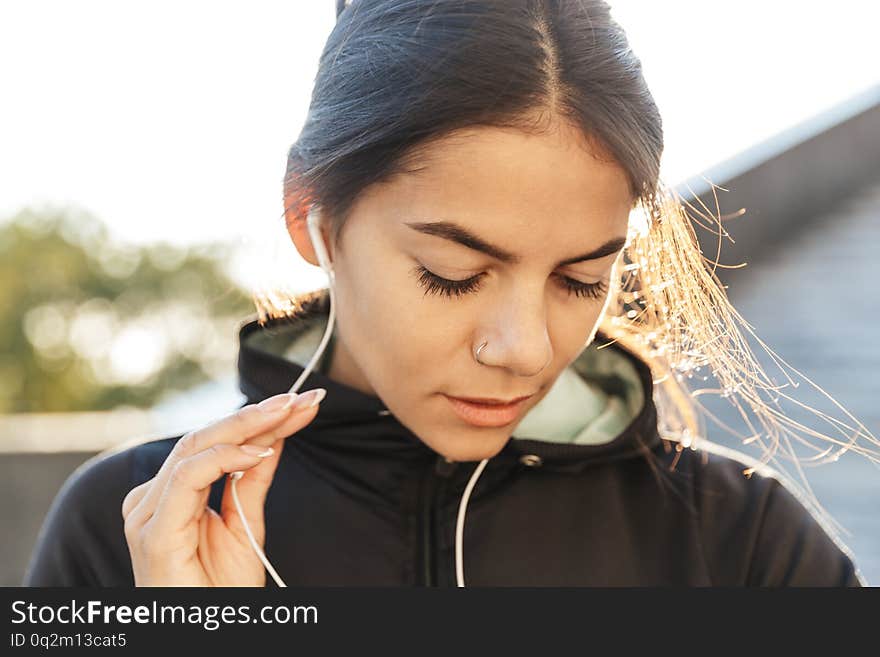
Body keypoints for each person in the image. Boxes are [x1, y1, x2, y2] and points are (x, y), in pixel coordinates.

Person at [24, 0, 870, 587]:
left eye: (582, 279)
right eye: (453, 274)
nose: (527, 348)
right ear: (309, 216)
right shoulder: (129, 530)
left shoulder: (739, 541)